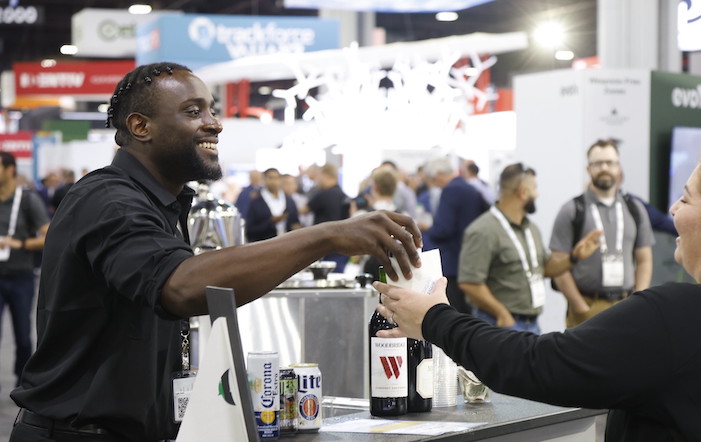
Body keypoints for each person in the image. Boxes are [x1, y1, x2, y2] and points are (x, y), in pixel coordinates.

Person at [9, 62, 422, 442]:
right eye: (193, 112)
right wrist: (325, 237)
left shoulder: (161, 204)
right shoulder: (110, 200)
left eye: (211, 110)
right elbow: (179, 286)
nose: (215, 124)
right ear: (140, 126)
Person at [374, 144, 701, 441]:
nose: (673, 209)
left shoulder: (685, 314)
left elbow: (540, 365)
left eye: (687, 197)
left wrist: (435, 318)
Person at [458, 163, 600, 333]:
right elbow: (470, 283)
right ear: (523, 193)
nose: (537, 193)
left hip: (531, 324)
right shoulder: (483, 230)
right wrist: (502, 313)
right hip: (499, 325)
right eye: (535, 188)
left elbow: (544, 268)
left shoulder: (530, 228)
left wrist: (573, 258)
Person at [550, 139, 654, 327]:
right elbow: (558, 265)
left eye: (610, 162)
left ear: (618, 167)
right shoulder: (572, 210)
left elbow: (644, 259)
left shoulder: (635, 209)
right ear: (588, 169)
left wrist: (639, 299)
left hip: (627, 304)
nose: (604, 168)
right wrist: (579, 306)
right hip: (588, 304)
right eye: (597, 163)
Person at [0, 152, 50, 387]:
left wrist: (19, 244)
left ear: (10, 170)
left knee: (22, 335)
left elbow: (48, 235)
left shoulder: (27, 200)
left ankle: (22, 384)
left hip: (21, 277)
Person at [421, 156, 488, 314]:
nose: (434, 183)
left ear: (439, 174)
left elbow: (443, 229)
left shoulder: (451, 190)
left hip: (452, 261)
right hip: (467, 257)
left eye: (433, 179)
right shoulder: (467, 188)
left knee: (453, 313)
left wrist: (427, 228)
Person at [299, 163, 350, 272]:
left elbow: (303, 210)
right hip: (342, 244)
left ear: (325, 175)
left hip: (325, 245)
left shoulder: (323, 194)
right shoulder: (342, 195)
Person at [244, 168, 300, 242]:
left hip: (287, 244)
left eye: (277, 178)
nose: (274, 182)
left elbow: (295, 222)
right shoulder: (256, 202)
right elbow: (250, 230)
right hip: (265, 245)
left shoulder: (289, 201)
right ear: (264, 179)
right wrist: (270, 222)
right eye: (271, 178)